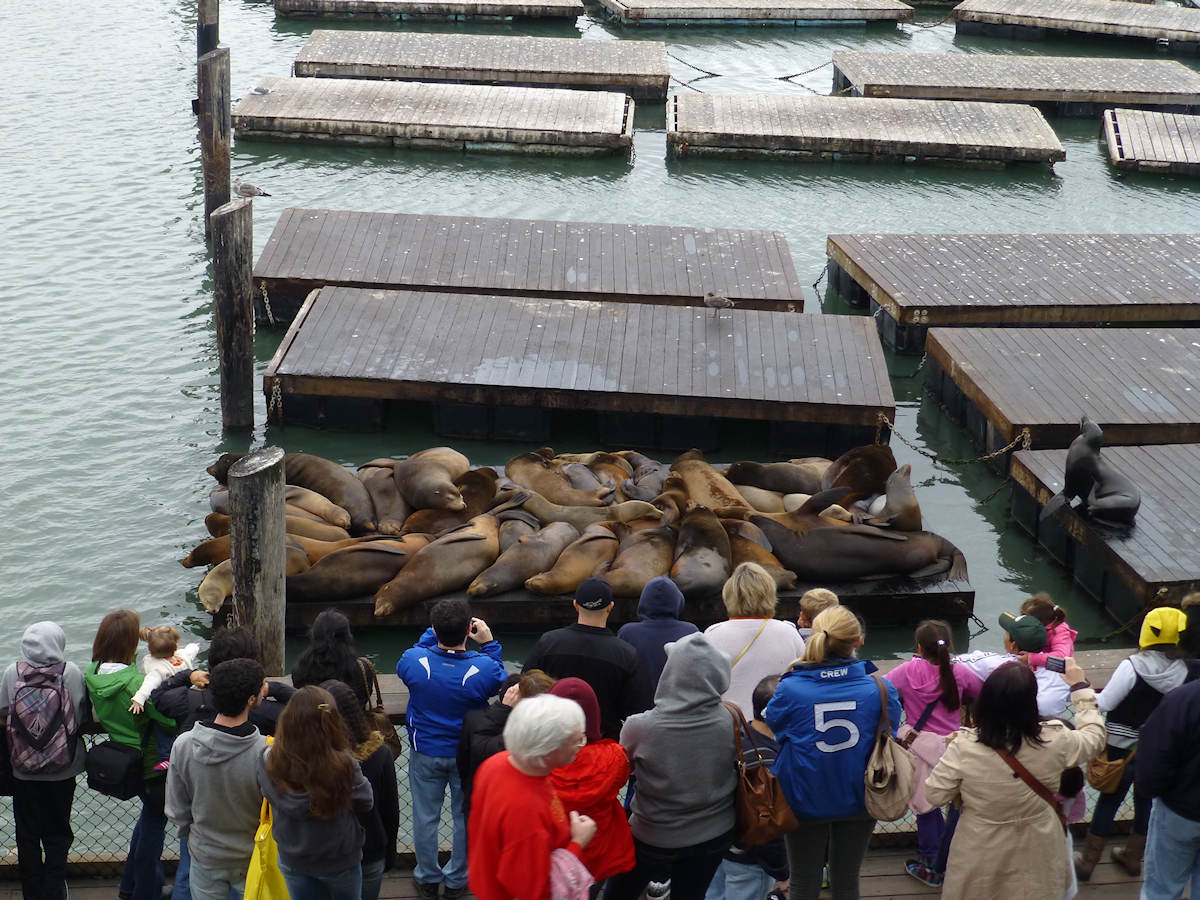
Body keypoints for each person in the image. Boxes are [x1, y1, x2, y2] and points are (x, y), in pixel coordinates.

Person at [925, 659, 1105, 900]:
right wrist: (1080, 687)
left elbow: (934, 795)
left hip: (980, 845)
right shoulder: (1056, 740)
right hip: (1039, 843)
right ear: (1031, 704)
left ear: (986, 701)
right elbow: (1095, 737)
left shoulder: (964, 747)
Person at [765, 605, 900, 900]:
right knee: (847, 879)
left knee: (802, 881)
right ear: (858, 641)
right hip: (861, 795)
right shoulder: (880, 688)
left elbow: (774, 725)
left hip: (803, 796)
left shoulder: (791, 688)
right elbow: (893, 731)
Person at [606, 632, 738, 900]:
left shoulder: (639, 726)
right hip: (715, 833)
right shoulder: (731, 718)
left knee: (618, 894)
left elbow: (620, 772)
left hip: (653, 835)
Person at [397, 600, 507, 900]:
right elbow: (500, 678)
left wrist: (432, 635)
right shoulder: (482, 667)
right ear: (467, 631)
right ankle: (457, 880)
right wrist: (489, 643)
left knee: (424, 816)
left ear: (434, 629)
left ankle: (428, 878)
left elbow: (413, 655)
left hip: (426, 751)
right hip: (466, 754)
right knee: (465, 818)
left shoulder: (414, 661)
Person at [1075, 606, 1192, 881]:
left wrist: (1080, 690)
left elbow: (1105, 703)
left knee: (1108, 801)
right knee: (1146, 802)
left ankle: (1088, 863)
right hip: (1157, 749)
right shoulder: (1184, 671)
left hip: (1119, 748)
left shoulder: (1132, 666)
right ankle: (1132, 856)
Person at [85, 610, 177, 900]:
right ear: (130, 645)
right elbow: (167, 721)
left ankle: (129, 886)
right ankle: (146, 891)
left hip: (125, 756)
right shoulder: (136, 684)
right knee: (154, 828)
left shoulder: (93, 674)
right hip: (151, 762)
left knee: (148, 820)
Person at [468, 694, 597, 900]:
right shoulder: (526, 814)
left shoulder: (497, 764)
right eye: (578, 740)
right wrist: (578, 842)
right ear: (547, 752)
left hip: (487, 881)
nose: (582, 745)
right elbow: (535, 890)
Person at [883, 619, 983, 887]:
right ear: (949, 645)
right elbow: (981, 692)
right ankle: (951, 856)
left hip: (920, 747)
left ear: (918, 646)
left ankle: (931, 863)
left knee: (925, 806)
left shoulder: (906, 671)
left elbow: (880, 690)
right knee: (957, 805)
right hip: (954, 747)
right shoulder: (959, 672)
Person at [257, 685, 374, 900]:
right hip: (338, 858)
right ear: (331, 723)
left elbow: (266, 791)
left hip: (293, 856)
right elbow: (366, 802)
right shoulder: (344, 764)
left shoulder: (267, 759)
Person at [165, 658, 268, 900]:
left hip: (205, 853)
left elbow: (177, 809)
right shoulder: (265, 752)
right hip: (251, 857)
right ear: (251, 700)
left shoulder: (184, 745)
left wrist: (193, 836)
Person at [0, 622, 88, 900]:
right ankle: (55, 890)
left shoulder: (12, 672)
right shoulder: (70, 672)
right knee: (58, 832)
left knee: (27, 835)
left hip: (22, 770)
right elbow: (80, 712)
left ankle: (31, 893)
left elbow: (4, 710)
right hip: (62, 770)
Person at [522, 578, 650, 741]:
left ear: (575, 605)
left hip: (553, 740)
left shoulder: (548, 642)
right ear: (610, 607)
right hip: (604, 743)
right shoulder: (627, 654)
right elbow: (637, 710)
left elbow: (527, 685)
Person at [704, 675, 789, 900]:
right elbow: (767, 829)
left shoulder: (738, 739)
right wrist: (782, 873)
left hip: (718, 848)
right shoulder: (767, 762)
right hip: (749, 862)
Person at [547, 678, 635, 885]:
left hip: (550, 849)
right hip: (596, 850)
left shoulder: (534, 760)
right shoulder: (615, 756)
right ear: (594, 715)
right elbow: (620, 781)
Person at [322, 680, 399, 900]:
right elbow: (390, 809)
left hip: (317, 851)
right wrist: (389, 850)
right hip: (369, 849)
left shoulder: (306, 756)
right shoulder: (380, 753)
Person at [152, 625, 295, 736]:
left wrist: (188, 675)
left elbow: (157, 695)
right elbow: (306, 708)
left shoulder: (186, 701)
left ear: (211, 663)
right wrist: (273, 688)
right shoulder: (263, 711)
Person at [704, 562, 805, 718]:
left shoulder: (712, 636)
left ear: (729, 595)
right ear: (770, 593)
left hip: (731, 730)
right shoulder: (789, 634)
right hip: (774, 730)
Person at [458, 670, 556, 818]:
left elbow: (466, 763)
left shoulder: (475, 720)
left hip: (482, 803)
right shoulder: (551, 731)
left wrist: (502, 710)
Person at [1136, 676, 1200, 899]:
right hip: (1180, 808)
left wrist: (1153, 789)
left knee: (1160, 891)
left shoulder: (1183, 699)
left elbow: (1154, 758)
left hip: (1179, 811)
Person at [955, 612, 1071, 717]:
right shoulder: (1060, 668)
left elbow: (957, 662)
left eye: (1007, 633)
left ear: (1014, 646)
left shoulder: (1000, 665)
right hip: (1050, 729)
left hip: (1013, 727)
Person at [617, 576, 699, 693]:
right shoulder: (690, 631)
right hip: (680, 708)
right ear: (678, 601)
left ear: (644, 601)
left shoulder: (628, 633)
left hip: (638, 709)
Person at [292, 610, 373, 708]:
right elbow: (363, 699)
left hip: (314, 722)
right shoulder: (363, 670)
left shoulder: (300, 672)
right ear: (347, 636)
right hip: (352, 721)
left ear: (314, 635)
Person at [1018, 593, 1077, 671]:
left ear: (1040, 622)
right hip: (1042, 663)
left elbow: (1062, 658)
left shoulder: (1060, 632)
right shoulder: (1041, 626)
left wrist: (1031, 658)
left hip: (1057, 671)